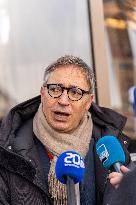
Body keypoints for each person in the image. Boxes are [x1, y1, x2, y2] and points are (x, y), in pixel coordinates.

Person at [0, 55, 132, 205]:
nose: (63, 101)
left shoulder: (110, 145)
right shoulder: (9, 149)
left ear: (88, 102)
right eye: (55, 89)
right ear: (42, 94)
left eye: (75, 92)